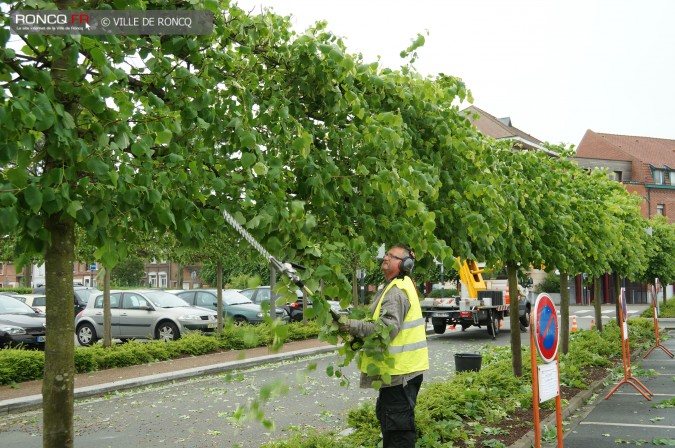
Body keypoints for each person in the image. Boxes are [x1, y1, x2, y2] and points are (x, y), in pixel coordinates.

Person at [337, 244, 428, 448]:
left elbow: (384, 330)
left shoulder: (397, 291)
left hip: (400, 374)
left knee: (398, 435)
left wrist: (349, 326)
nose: (385, 258)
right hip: (399, 374)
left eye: (391, 256)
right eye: (386, 254)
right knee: (392, 425)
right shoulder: (394, 286)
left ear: (404, 264)